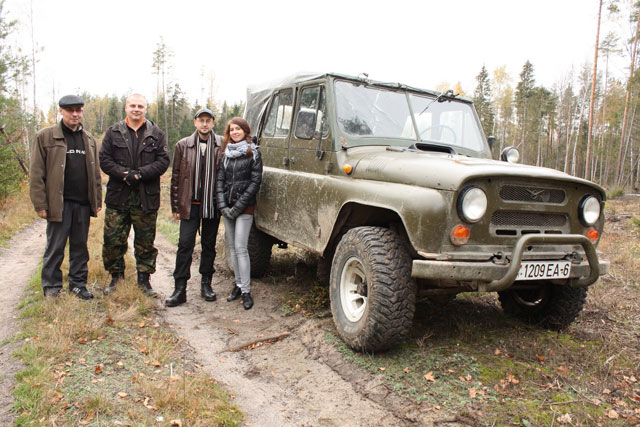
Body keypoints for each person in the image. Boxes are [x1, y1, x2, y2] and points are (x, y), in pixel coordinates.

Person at [29, 95, 102, 299]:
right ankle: (52, 287)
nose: (75, 114)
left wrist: (96, 200)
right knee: (55, 247)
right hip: (58, 204)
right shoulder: (45, 137)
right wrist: (40, 203)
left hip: (82, 204)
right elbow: (36, 173)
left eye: (78, 110)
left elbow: (95, 174)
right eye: (70, 110)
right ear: (61, 111)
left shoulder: (89, 139)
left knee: (80, 247)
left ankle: (78, 284)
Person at [99, 94, 169, 296]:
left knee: (145, 242)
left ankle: (144, 281)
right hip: (118, 196)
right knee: (113, 240)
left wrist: (140, 174)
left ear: (146, 109)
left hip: (146, 197)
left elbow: (163, 161)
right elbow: (104, 159)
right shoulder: (113, 132)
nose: (136, 109)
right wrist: (124, 174)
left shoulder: (157, 134)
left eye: (140, 106)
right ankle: (116, 278)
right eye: (133, 106)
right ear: (126, 108)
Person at [165, 108, 222, 307]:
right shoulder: (183, 145)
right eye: (201, 120)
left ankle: (206, 283)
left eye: (208, 120)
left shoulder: (221, 145)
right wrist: (175, 206)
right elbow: (175, 178)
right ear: (195, 123)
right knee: (185, 245)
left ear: (213, 123)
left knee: (208, 245)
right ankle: (180, 288)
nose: (204, 124)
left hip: (212, 205)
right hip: (189, 204)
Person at [216, 117, 263, 310]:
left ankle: (246, 291)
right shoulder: (225, 154)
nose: (235, 132)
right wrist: (223, 206)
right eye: (232, 129)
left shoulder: (253, 153)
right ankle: (237, 284)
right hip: (227, 207)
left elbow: (255, 183)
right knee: (232, 248)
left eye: (238, 129)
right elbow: (220, 181)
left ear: (245, 131)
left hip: (245, 208)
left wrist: (238, 207)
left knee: (241, 247)